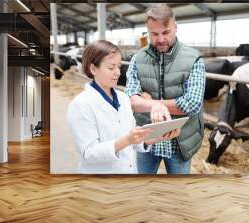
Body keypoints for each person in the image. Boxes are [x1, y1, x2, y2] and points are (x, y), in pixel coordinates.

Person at [67, 40, 178, 174]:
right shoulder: (81, 105)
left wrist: (156, 138)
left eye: (119, 67)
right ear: (93, 69)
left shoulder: (123, 98)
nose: (118, 73)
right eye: (111, 67)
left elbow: (133, 140)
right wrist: (127, 140)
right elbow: (89, 153)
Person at [125, 4, 206, 174]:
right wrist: (155, 106)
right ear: (147, 32)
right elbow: (131, 101)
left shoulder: (194, 59)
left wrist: (149, 102)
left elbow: (192, 104)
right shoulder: (137, 59)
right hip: (146, 138)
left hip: (180, 140)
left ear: (175, 27)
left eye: (166, 32)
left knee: (177, 193)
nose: (160, 39)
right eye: (154, 34)